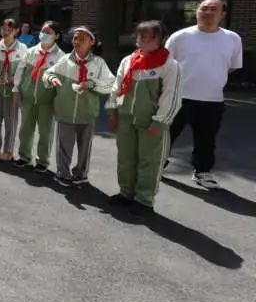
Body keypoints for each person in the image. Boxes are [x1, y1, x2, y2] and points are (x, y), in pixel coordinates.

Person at [165, 0, 243, 189]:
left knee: (206, 140)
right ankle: (157, 165)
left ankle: (202, 172)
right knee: (166, 136)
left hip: (213, 100)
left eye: (213, 9)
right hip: (178, 97)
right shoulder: (180, 37)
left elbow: (232, 66)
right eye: (203, 8)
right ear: (197, 12)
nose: (207, 12)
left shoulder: (232, 38)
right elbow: (165, 65)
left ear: (223, 14)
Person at [106, 21, 183, 215]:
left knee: (149, 161)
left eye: (151, 36)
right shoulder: (128, 61)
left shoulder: (169, 64)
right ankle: (126, 193)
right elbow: (117, 88)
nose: (145, 39)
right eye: (141, 35)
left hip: (151, 121)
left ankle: (144, 200)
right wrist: (112, 111)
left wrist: (160, 121)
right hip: (126, 119)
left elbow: (171, 96)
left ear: (161, 39)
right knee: (126, 158)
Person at [44, 26, 114, 186]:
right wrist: (52, 79)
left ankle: (80, 174)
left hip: (87, 113)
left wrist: (91, 84)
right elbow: (47, 73)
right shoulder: (65, 60)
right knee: (64, 146)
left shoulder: (99, 63)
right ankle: (62, 173)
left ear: (92, 42)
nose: (77, 41)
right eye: (75, 38)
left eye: (82, 39)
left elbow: (110, 85)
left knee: (84, 148)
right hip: (65, 111)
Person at [13, 21, 65, 172]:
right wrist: (16, 90)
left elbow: (61, 82)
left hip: (47, 101)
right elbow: (20, 71)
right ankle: (24, 156)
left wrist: (58, 100)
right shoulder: (31, 52)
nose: (44, 34)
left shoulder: (61, 57)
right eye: (43, 31)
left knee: (45, 132)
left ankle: (42, 160)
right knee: (25, 129)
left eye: (49, 32)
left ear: (57, 36)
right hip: (28, 98)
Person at [0, 18, 27, 160]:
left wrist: (14, 79)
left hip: (12, 92)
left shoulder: (22, 49)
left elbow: (24, 69)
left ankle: (8, 150)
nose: (6, 32)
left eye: (9, 30)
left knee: (11, 121)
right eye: (4, 29)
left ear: (16, 31)